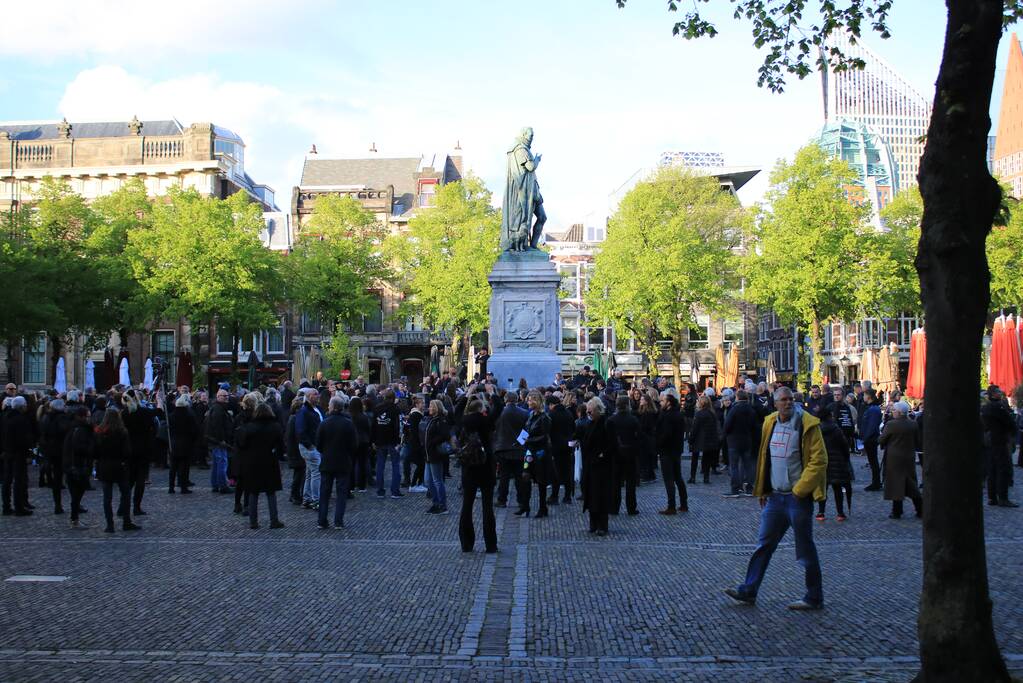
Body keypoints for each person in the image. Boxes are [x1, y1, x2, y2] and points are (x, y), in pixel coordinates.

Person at [725, 386, 827, 610]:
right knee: (763, 545)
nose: (788, 403)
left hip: (797, 498)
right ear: (775, 403)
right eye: (783, 400)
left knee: (805, 548)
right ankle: (749, 590)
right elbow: (765, 456)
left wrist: (800, 490)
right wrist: (763, 488)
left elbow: (818, 461)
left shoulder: (808, 424)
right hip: (775, 498)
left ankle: (814, 596)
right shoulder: (770, 423)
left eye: (791, 399)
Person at [234, 401, 286, 530]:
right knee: (271, 492)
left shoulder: (249, 427)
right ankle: (274, 520)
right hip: (269, 461)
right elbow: (281, 447)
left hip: (252, 462)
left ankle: (253, 521)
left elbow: (241, 444)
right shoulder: (275, 427)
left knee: (253, 492)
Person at [458, 398, 498, 553]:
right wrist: (491, 393)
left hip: (469, 467)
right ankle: (491, 544)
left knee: (467, 505)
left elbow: (457, 410)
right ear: (482, 409)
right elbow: (498, 408)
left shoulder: (464, 421)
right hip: (486, 466)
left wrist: (468, 394)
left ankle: (466, 543)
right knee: (487, 507)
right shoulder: (486, 421)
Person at [94, 408, 141, 533]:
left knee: (107, 497)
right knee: (125, 494)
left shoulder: (99, 431)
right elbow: (127, 451)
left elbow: (95, 451)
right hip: (119, 465)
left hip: (104, 465)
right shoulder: (122, 431)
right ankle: (126, 521)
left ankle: (110, 524)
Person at [316, 395, 357, 529]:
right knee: (341, 493)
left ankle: (322, 520)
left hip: (327, 461)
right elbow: (353, 444)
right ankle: (338, 521)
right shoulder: (348, 424)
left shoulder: (324, 423)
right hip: (343, 461)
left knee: (324, 492)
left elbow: (318, 444)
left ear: (332, 407)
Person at [879, 401, 923, 518]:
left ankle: (897, 510)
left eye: (893, 410)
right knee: (911, 483)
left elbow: (882, 439)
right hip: (908, 456)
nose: (892, 412)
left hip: (894, 458)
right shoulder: (913, 424)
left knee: (896, 484)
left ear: (899, 412)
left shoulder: (891, 425)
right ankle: (920, 508)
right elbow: (917, 440)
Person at [582, 397, 615, 535]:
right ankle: (593, 522)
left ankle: (602, 524)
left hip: (602, 466)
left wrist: (602, 455)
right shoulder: (590, 424)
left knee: (600, 495)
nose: (589, 414)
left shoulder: (606, 423)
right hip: (590, 464)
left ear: (597, 410)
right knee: (591, 494)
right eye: (587, 412)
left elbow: (612, 444)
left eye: (590, 412)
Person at [982, 385, 1019, 507]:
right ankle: (1002, 497)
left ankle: (992, 497)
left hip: (990, 441)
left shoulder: (986, 407)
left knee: (992, 469)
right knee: (1003, 469)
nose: (1000, 393)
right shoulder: (998, 407)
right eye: (998, 391)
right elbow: (1009, 421)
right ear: (993, 394)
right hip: (999, 440)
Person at [122, 392, 158, 515]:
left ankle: (123, 506)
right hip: (143, 449)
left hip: (128, 449)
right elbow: (158, 413)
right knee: (140, 480)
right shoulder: (143, 412)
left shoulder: (124, 413)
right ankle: (136, 507)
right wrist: (159, 401)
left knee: (129, 480)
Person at [816, 405, 853, 521]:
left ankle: (821, 512)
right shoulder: (836, 429)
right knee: (837, 488)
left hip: (822, 461)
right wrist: (845, 458)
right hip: (837, 461)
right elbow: (844, 445)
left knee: (823, 488)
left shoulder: (817, 430)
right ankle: (840, 513)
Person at [519, 390, 551, 518]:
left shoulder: (545, 418)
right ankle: (525, 506)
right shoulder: (531, 415)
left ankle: (543, 507)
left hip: (540, 453)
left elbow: (545, 437)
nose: (528, 402)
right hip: (529, 452)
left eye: (531, 400)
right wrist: (519, 441)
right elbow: (526, 430)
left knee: (541, 481)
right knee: (525, 477)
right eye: (528, 399)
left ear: (537, 401)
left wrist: (529, 440)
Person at [493, 392, 528, 508]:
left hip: (502, 448)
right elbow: (527, 430)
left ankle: (502, 499)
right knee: (519, 476)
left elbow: (495, 429)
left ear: (505, 399)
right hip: (518, 449)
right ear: (517, 400)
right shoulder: (524, 413)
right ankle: (521, 500)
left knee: (504, 476)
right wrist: (520, 443)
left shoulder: (499, 413)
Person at [607, 395, 640, 515]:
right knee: (630, 483)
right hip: (630, 453)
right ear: (628, 405)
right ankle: (631, 508)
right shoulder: (633, 419)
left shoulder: (611, 420)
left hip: (616, 454)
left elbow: (609, 439)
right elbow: (638, 437)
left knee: (615, 482)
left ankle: (614, 507)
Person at [62, 405, 95, 528]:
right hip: (77, 465)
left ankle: (74, 518)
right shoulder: (80, 430)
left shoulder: (74, 427)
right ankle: (74, 519)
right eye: (88, 416)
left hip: (72, 465)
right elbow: (80, 448)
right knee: (77, 494)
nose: (89, 418)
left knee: (77, 494)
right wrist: (91, 449)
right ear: (82, 417)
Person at [2, 396, 34, 516]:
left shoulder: (6, 417)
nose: (26, 407)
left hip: (7, 452)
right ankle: (19, 507)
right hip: (18, 453)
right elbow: (23, 439)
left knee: (7, 480)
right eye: (25, 405)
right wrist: (29, 449)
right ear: (21, 407)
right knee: (19, 481)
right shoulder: (21, 419)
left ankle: (6, 506)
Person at [656, 392, 688, 514]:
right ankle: (684, 504)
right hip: (676, 450)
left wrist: (658, 444)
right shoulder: (679, 415)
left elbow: (665, 435)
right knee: (678, 477)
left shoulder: (667, 416)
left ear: (668, 403)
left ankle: (671, 506)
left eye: (663, 401)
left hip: (667, 451)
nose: (661, 403)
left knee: (669, 479)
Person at [40, 399, 73, 514]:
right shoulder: (61, 418)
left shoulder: (46, 417)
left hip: (49, 450)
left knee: (57, 479)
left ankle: (57, 504)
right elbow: (65, 430)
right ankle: (69, 504)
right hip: (60, 451)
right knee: (65, 477)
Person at [723, 390, 757, 497]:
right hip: (747, 440)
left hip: (734, 441)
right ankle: (749, 488)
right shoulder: (751, 410)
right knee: (748, 465)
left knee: (734, 466)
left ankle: (735, 489)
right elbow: (754, 427)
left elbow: (727, 425)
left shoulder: (734, 410)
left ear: (737, 397)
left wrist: (726, 435)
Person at [295, 389, 324, 509]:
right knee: (316, 472)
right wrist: (309, 445)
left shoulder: (316, 409)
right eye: (315, 394)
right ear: (308, 396)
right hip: (310, 447)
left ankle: (307, 498)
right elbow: (300, 430)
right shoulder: (304, 411)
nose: (317, 396)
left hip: (315, 445)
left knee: (310, 473)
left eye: (318, 394)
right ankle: (315, 500)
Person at [372, 389, 403, 499]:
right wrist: (399, 441)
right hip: (392, 441)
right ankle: (395, 491)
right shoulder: (395, 409)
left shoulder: (377, 408)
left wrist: (373, 440)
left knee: (380, 465)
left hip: (380, 440)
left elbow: (373, 426)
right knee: (395, 465)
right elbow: (398, 427)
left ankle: (380, 490)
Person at [204, 388, 235, 494]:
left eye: (227, 396)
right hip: (218, 441)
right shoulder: (218, 409)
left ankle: (216, 484)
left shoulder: (218, 408)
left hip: (215, 440)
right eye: (224, 396)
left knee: (217, 463)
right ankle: (222, 485)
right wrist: (221, 440)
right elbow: (218, 426)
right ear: (218, 397)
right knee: (222, 462)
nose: (227, 398)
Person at [547, 394, 575, 505]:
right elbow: (573, 428)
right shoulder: (568, 413)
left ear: (551, 405)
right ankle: (567, 496)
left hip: (555, 447)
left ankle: (554, 496)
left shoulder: (551, 414)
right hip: (567, 446)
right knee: (567, 472)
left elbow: (548, 430)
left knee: (556, 472)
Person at [423, 399, 451, 514]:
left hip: (435, 454)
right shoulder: (432, 419)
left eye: (431, 406)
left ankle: (442, 505)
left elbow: (445, 435)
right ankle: (436, 503)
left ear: (436, 408)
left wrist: (432, 442)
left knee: (437, 481)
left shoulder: (440, 420)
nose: (429, 408)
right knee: (428, 480)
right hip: (428, 454)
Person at [167, 394, 198, 494]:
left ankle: (171, 487)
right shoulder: (189, 416)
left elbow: (169, 429)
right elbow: (194, 430)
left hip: (174, 443)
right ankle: (183, 487)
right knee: (184, 467)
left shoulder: (171, 416)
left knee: (173, 467)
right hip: (186, 443)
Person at [689, 395, 720, 484]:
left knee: (694, 459)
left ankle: (692, 477)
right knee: (707, 459)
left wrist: (691, 439)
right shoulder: (712, 413)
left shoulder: (699, 414)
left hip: (699, 439)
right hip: (709, 439)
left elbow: (695, 428)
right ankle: (706, 478)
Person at [859, 390, 883, 491]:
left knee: (873, 462)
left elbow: (872, 426)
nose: (863, 397)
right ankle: (876, 482)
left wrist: (866, 438)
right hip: (870, 438)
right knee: (873, 461)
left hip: (871, 439)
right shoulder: (872, 408)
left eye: (864, 395)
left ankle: (876, 482)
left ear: (868, 396)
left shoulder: (873, 409)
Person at [284, 396, 305, 504]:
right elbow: (293, 437)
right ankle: (295, 495)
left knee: (299, 473)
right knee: (299, 473)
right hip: (296, 451)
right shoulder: (294, 419)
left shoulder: (292, 418)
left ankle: (295, 494)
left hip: (294, 450)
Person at [637, 393, 659, 482]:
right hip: (648, 437)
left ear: (646, 402)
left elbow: (645, 426)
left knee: (646, 457)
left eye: (642, 400)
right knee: (648, 457)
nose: (640, 401)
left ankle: (647, 476)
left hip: (646, 438)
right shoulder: (645, 411)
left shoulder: (648, 413)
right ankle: (650, 475)